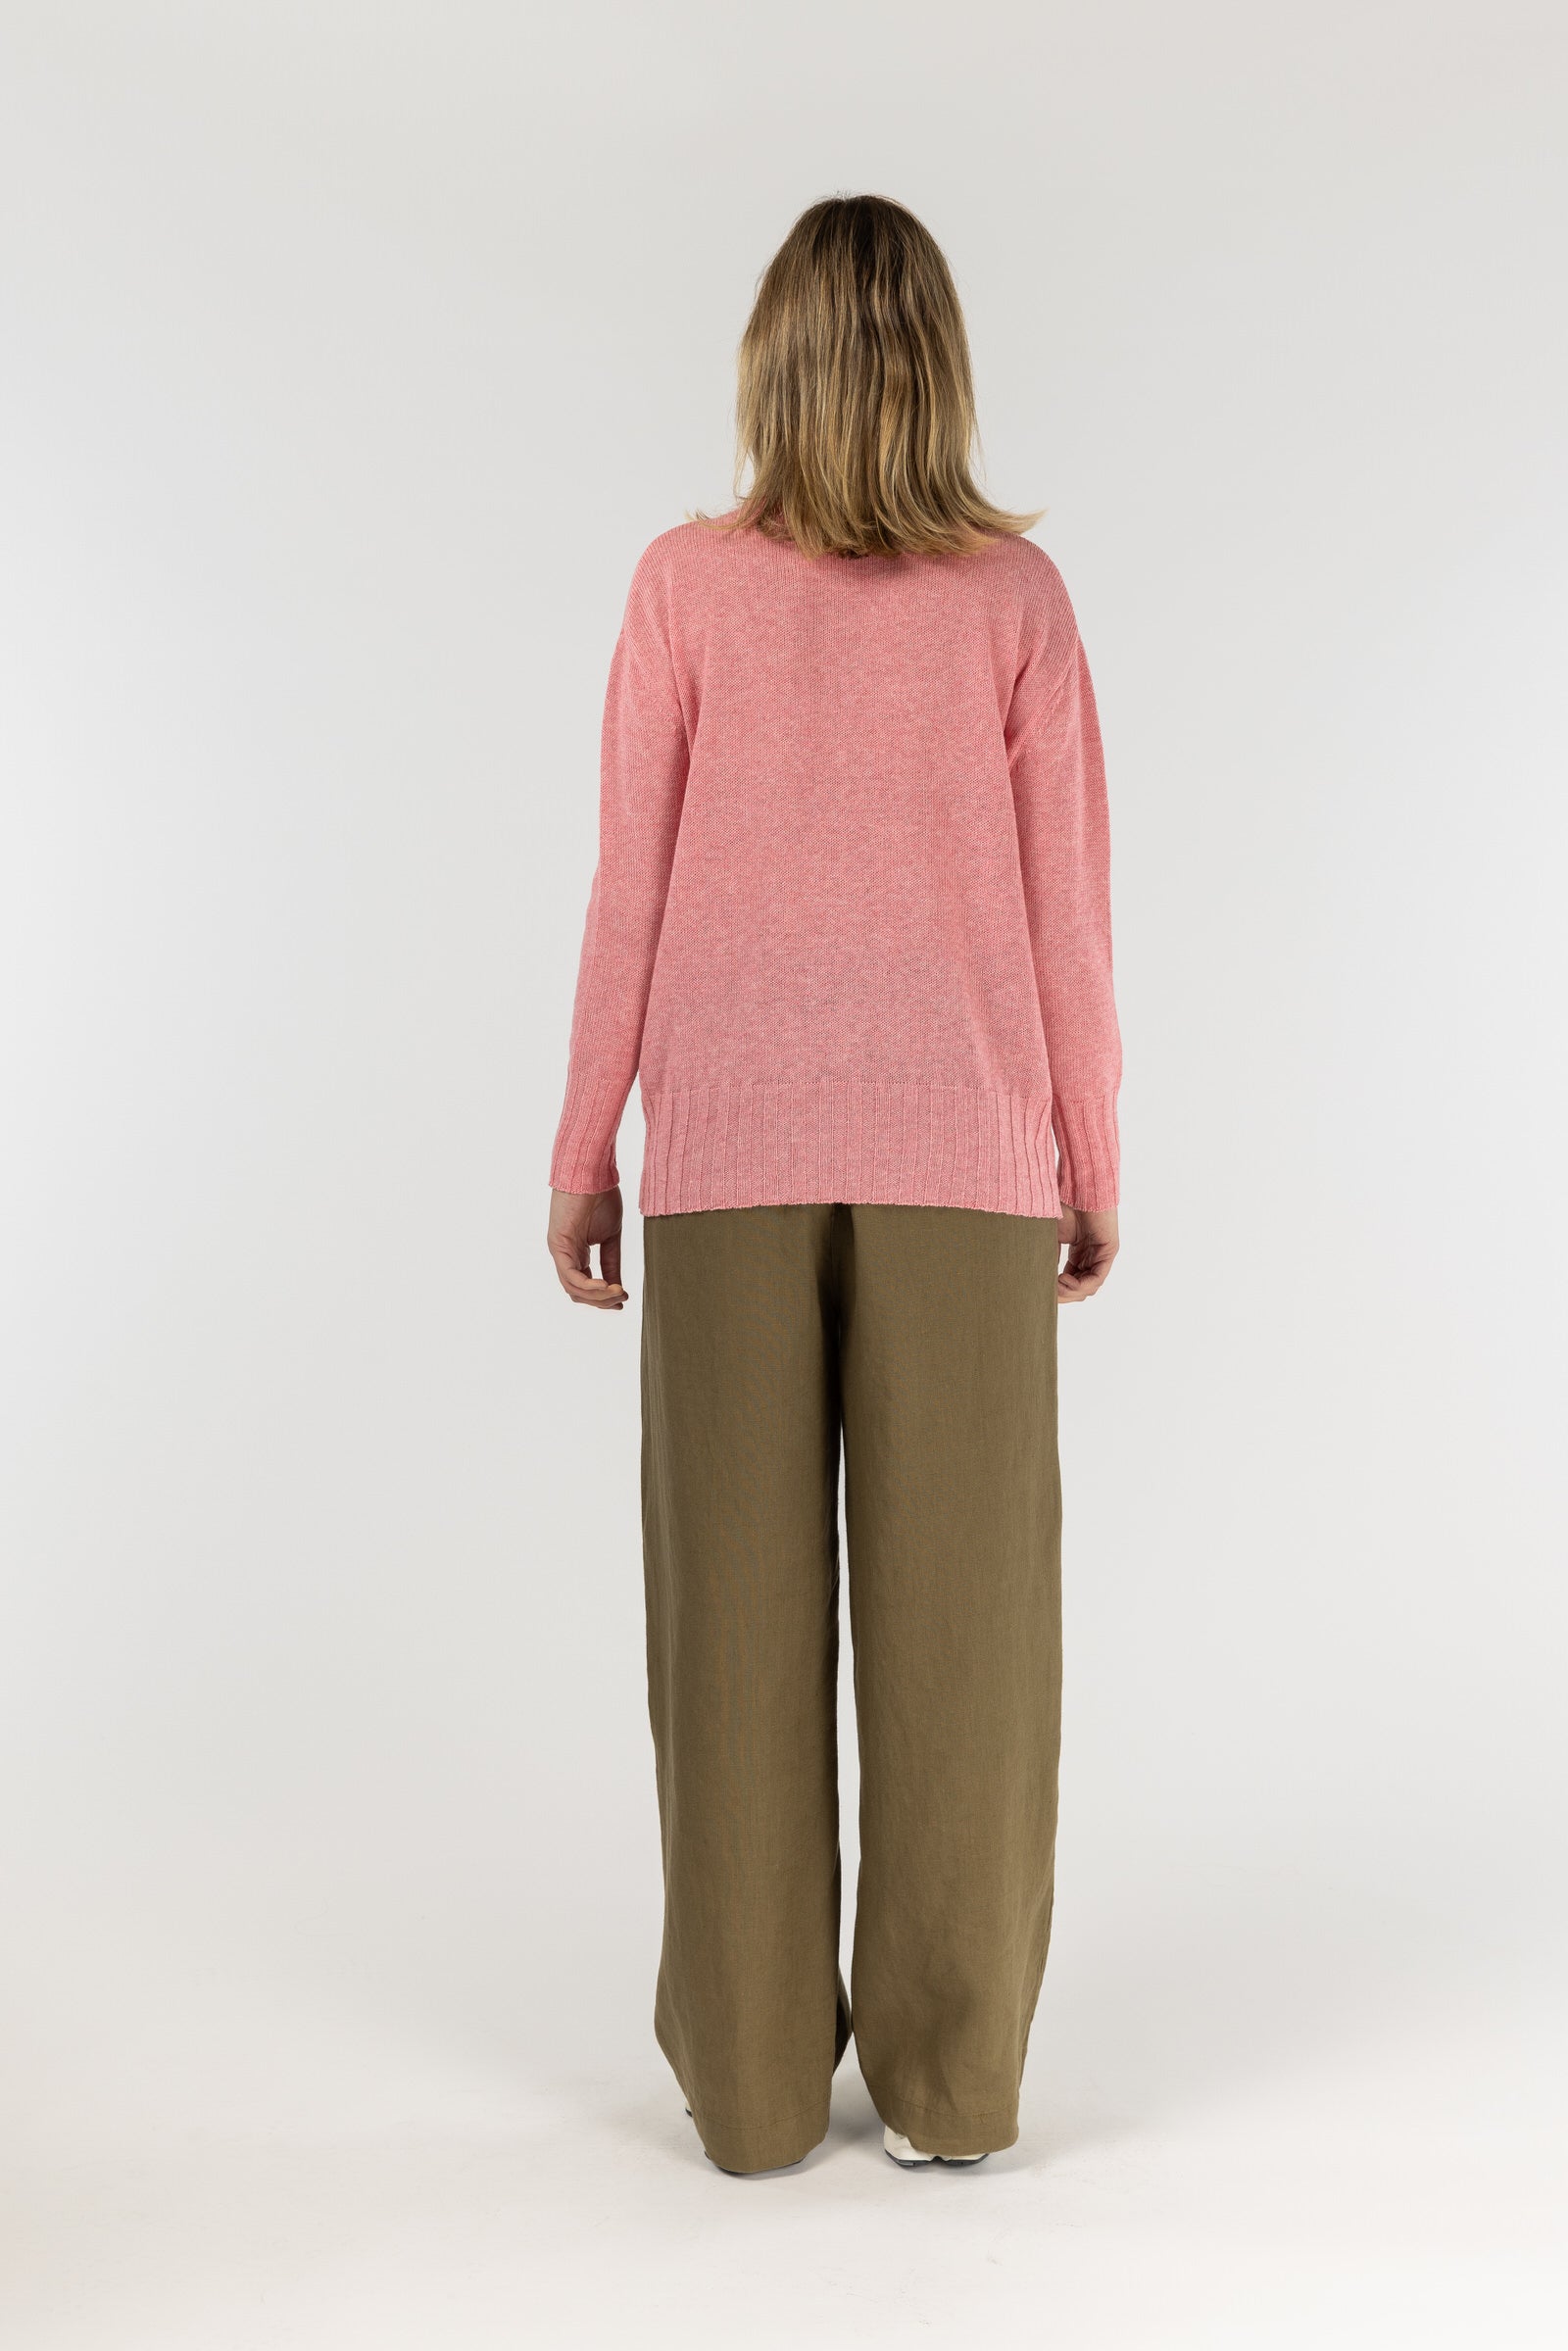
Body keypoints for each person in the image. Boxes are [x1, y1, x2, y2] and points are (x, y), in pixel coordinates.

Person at [546, 193, 1121, 2177]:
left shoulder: (682, 589)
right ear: (937, 366)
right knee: (968, 1639)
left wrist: (586, 1142)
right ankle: (951, 2090)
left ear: (766, 365)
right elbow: (1069, 917)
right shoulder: (1013, 604)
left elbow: (626, 891)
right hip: (969, 1166)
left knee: (729, 1627)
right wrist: (1090, 1156)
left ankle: (752, 2084)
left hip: (720, 1160)